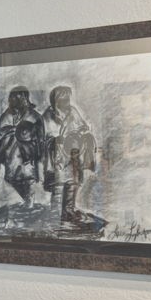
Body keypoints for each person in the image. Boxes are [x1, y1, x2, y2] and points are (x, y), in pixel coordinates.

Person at [42, 84, 97, 225]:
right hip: (57, 154)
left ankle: (68, 211)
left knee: (73, 182)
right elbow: (44, 135)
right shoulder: (48, 115)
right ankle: (55, 214)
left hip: (73, 152)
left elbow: (83, 126)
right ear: (56, 100)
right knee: (58, 184)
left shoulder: (72, 111)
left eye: (68, 98)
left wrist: (82, 132)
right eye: (63, 99)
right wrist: (55, 139)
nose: (67, 101)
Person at [0, 86, 43, 204]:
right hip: (11, 155)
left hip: (28, 155)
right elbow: (0, 133)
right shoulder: (7, 115)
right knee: (14, 180)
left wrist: (29, 138)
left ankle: (29, 204)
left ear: (24, 97)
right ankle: (27, 202)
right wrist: (12, 131)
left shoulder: (34, 116)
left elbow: (40, 136)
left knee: (28, 180)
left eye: (16, 97)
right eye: (11, 97)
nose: (12, 99)